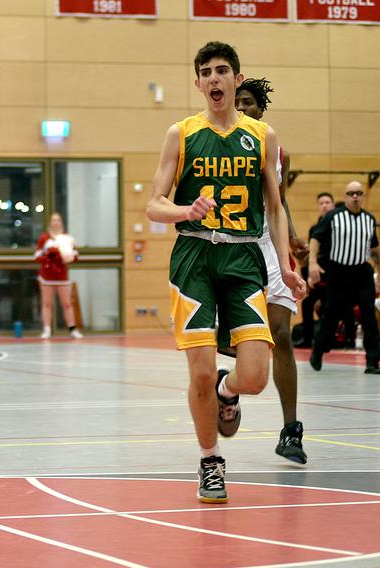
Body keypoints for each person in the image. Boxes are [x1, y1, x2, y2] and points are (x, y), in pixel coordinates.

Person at [146, 41, 305, 503]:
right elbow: (154, 204)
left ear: (237, 79)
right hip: (195, 255)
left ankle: (227, 389)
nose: (214, 79)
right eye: (206, 72)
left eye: (222, 71)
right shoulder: (181, 133)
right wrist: (185, 210)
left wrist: (285, 265)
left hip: (243, 258)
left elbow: (274, 208)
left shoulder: (263, 136)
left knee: (254, 375)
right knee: (197, 373)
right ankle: (210, 460)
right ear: (197, 83)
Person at [233, 77, 308, 464]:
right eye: (237, 102)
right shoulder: (219, 143)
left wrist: (292, 237)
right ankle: (229, 389)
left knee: (280, 334)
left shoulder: (278, 151)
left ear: (261, 110)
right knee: (233, 340)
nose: (242, 108)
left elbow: (278, 202)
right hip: (235, 248)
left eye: (248, 103)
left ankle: (290, 431)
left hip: (271, 247)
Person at [308, 181, 380, 374]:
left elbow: (374, 246)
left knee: (369, 317)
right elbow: (316, 238)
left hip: (362, 273)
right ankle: (318, 350)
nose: (355, 196)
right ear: (345, 196)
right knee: (331, 316)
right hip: (339, 272)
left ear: (363, 196)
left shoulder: (369, 218)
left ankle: (373, 362)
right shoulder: (333, 217)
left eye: (359, 193)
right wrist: (313, 264)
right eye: (351, 193)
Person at [35, 212, 83, 339]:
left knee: (67, 304)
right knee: (47, 303)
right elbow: (37, 256)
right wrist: (48, 254)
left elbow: (75, 255)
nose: (56, 223)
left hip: (62, 276)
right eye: (53, 220)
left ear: (61, 223)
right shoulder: (44, 238)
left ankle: (72, 329)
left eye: (58, 220)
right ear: (50, 223)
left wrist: (68, 256)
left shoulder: (67, 238)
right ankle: (47, 329)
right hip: (47, 277)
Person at [297, 192, 336, 348]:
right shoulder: (315, 228)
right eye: (321, 203)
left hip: (334, 275)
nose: (325, 205)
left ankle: (331, 339)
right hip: (318, 276)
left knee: (329, 304)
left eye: (327, 202)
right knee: (307, 304)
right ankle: (308, 338)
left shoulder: (339, 224)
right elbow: (313, 254)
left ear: (333, 205)